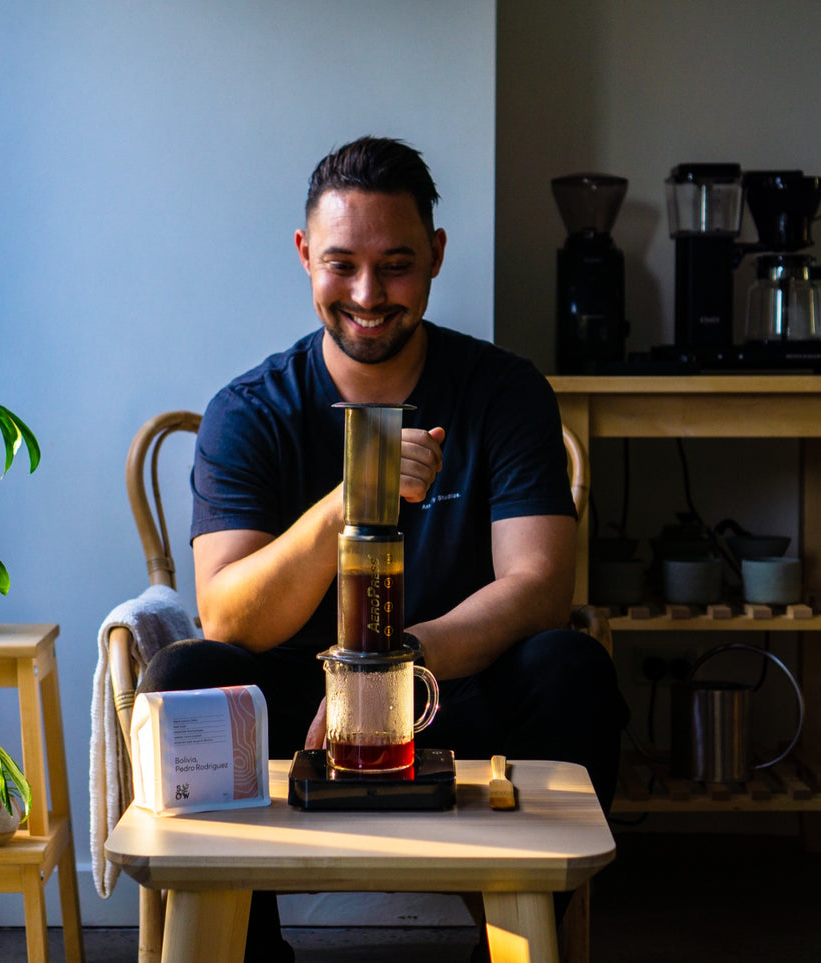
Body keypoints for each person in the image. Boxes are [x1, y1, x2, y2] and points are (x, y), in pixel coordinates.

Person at [140, 135, 629, 961]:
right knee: (184, 675)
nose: (368, 294)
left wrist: (393, 673)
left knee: (568, 665)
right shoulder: (249, 410)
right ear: (304, 255)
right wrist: (351, 495)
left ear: (435, 255)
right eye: (341, 264)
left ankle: (525, 941)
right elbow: (225, 613)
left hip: (453, 687)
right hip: (300, 705)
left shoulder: (503, 392)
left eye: (396, 264)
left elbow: (540, 584)